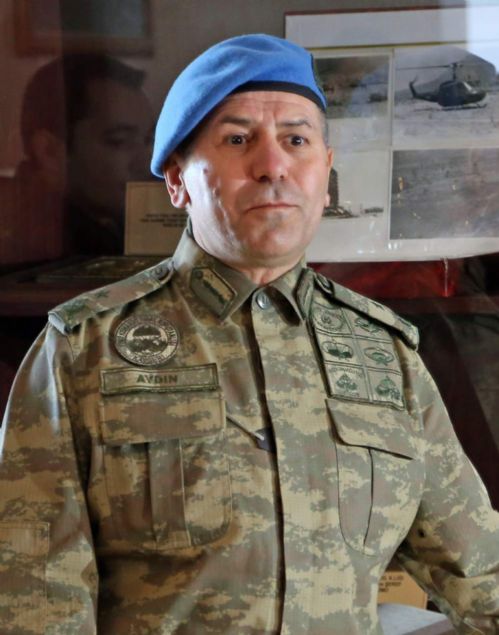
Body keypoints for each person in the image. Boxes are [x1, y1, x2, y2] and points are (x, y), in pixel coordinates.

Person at [0, 34, 498, 634]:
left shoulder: (384, 355)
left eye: (296, 140)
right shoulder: (86, 348)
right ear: (178, 181)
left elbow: (481, 574)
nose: (272, 166)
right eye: (238, 140)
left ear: (325, 173)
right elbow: (33, 599)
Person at [1, 53, 153, 267]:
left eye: (149, 140)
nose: (147, 163)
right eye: (119, 141)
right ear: (49, 152)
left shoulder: (105, 221)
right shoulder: (35, 242)